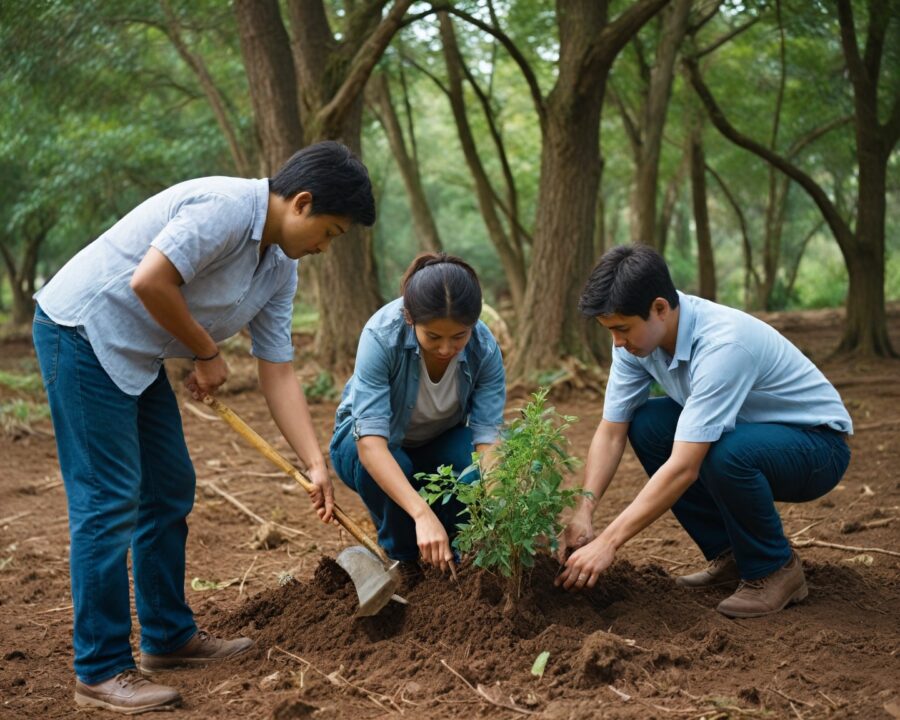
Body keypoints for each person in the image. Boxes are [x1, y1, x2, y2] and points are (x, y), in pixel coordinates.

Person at [31, 141, 375, 713]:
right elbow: (150, 281)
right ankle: (99, 668)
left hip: (135, 354)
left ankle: (167, 639)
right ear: (303, 204)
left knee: (168, 487)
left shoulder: (278, 268)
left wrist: (315, 461)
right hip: (82, 333)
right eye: (330, 232)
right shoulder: (225, 207)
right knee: (108, 499)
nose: (324, 248)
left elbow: (279, 370)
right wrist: (206, 351)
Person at [556, 245, 852, 618]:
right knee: (647, 424)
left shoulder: (723, 344)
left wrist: (610, 541)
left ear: (660, 308)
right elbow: (612, 430)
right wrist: (584, 511)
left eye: (622, 329)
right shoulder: (636, 345)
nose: (617, 342)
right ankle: (731, 555)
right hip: (748, 434)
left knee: (728, 454)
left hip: (816, 448)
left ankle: (775, 569)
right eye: (610, 331)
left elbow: (684, 467)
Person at [330, 253, 506, 580]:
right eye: (434, 337)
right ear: (411, 318)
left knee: (472, 464)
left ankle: (454, 554)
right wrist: (422, 514)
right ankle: (405, 562)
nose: (446, 349)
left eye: (458, 337)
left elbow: (489, 439)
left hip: (435, 443)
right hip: (366, 448)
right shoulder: (382, 336)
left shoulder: (484, 347)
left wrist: (497, 511)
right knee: (396, 467)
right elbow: (370, 444)